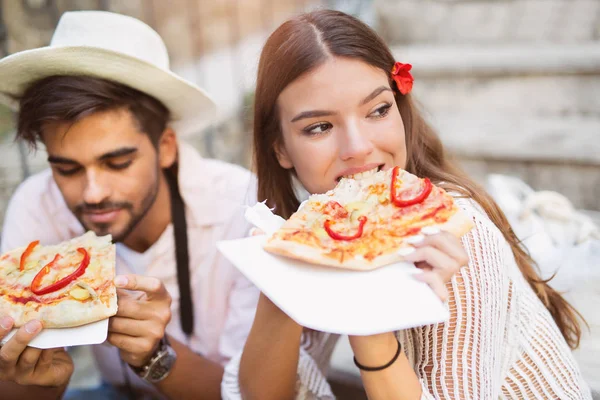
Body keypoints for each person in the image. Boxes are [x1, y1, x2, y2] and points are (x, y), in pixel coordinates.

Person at [222, 9, 592, 400]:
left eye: (378, 110)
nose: (358, 146)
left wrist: (372, 329)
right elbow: (255, 394)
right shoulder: (322, 230)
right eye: (320, 127)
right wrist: (279, 276)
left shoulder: (456, 235)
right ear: (280, 148)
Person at [0, 11, 258, 400]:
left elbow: (255, 393)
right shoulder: (38, 204)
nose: (92, 192)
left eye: (117, 163)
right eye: (67, 169)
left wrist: (156, 355)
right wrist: (38, 381)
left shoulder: (241, 210)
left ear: (166, 147)